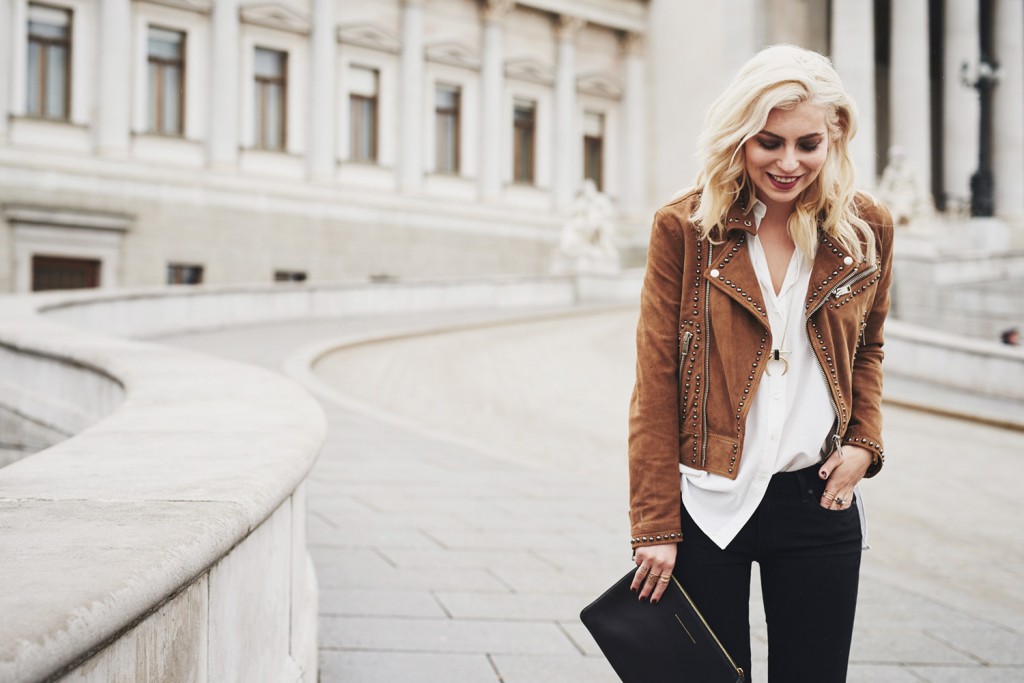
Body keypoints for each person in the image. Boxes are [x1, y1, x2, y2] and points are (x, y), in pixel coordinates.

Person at [626, 45, 893, 682]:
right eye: (768, 142)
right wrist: (654, 525)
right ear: (740, 137)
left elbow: (870, 347)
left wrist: (864, 441)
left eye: (808, 144)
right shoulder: (686, 228)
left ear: (836, 139)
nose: (788, 162)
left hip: (818, 500)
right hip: (707, 502)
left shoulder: (867, 228)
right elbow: (656, 382)